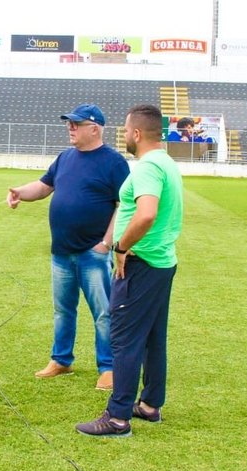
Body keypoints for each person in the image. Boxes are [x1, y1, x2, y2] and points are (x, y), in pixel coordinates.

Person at [76, 104, 183, 437]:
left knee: (124, 339)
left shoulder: (148, 166)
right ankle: (150, 405)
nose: (123, 135)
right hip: (161, 262)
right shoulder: (166, 161)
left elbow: (146, 213)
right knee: (153, 337)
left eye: (124, 130)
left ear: (136, 133)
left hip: (140, 264)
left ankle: (118, 416)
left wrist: (120, 247)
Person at [7, 103, 130, 390]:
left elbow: (123, 205)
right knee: (63, 310)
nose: (70, 128)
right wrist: (19, 193)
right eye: (69, 123)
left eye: (76, 124)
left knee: (103, 312)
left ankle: (109, 367)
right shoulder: (65, 157)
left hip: (93, 253)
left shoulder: (114, 162)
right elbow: (43, 186)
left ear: (95, 128)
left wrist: (106, 243)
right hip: (61, 252)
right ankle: (61, 360)